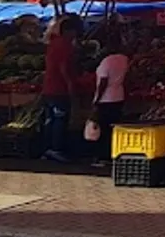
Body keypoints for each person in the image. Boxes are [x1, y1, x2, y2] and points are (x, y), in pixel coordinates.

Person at [40, 14, 83, 164]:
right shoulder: (65, 46)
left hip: (48, 88)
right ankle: (56, 149)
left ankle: (47, 149)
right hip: (59, 89)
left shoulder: (53, 43)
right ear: (69, 31)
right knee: (59, 120)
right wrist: (71, 86)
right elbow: (64, 68)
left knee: (50, 120)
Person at [90, 29, 129, 165]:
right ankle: (112, 154)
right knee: (113, 128)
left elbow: (103, 82)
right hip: (119, 96)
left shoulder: (107, 61)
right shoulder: (124, 59)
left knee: (102, 130)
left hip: (106, 99)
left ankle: (102, 157)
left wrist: (96, 100)